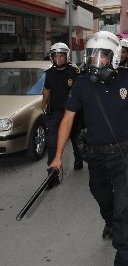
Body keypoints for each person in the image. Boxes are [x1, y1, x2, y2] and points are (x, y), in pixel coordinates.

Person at [49, 31, 128, 266]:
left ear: (114, 58)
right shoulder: (82, 85)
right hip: (95, 156)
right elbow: (67, 120)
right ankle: (111, 221)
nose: (95, 61)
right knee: (103, 199)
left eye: (101, 56)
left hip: (125, 155)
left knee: (124, 212)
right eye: (91, 56)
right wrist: (58, 156)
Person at [42, 42, 83, 177]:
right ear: (52, 58)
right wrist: (44, 105)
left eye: (61, 56)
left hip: (73, 113)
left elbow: (81, 93)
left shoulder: (75, 72)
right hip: (56, 113)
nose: (58, 59)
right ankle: (52, 172)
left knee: (76, 140)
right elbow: (47, 90)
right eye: (56, 56)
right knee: (52, 141)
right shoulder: (49, 73)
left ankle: (78, 159)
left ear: (67, 56)